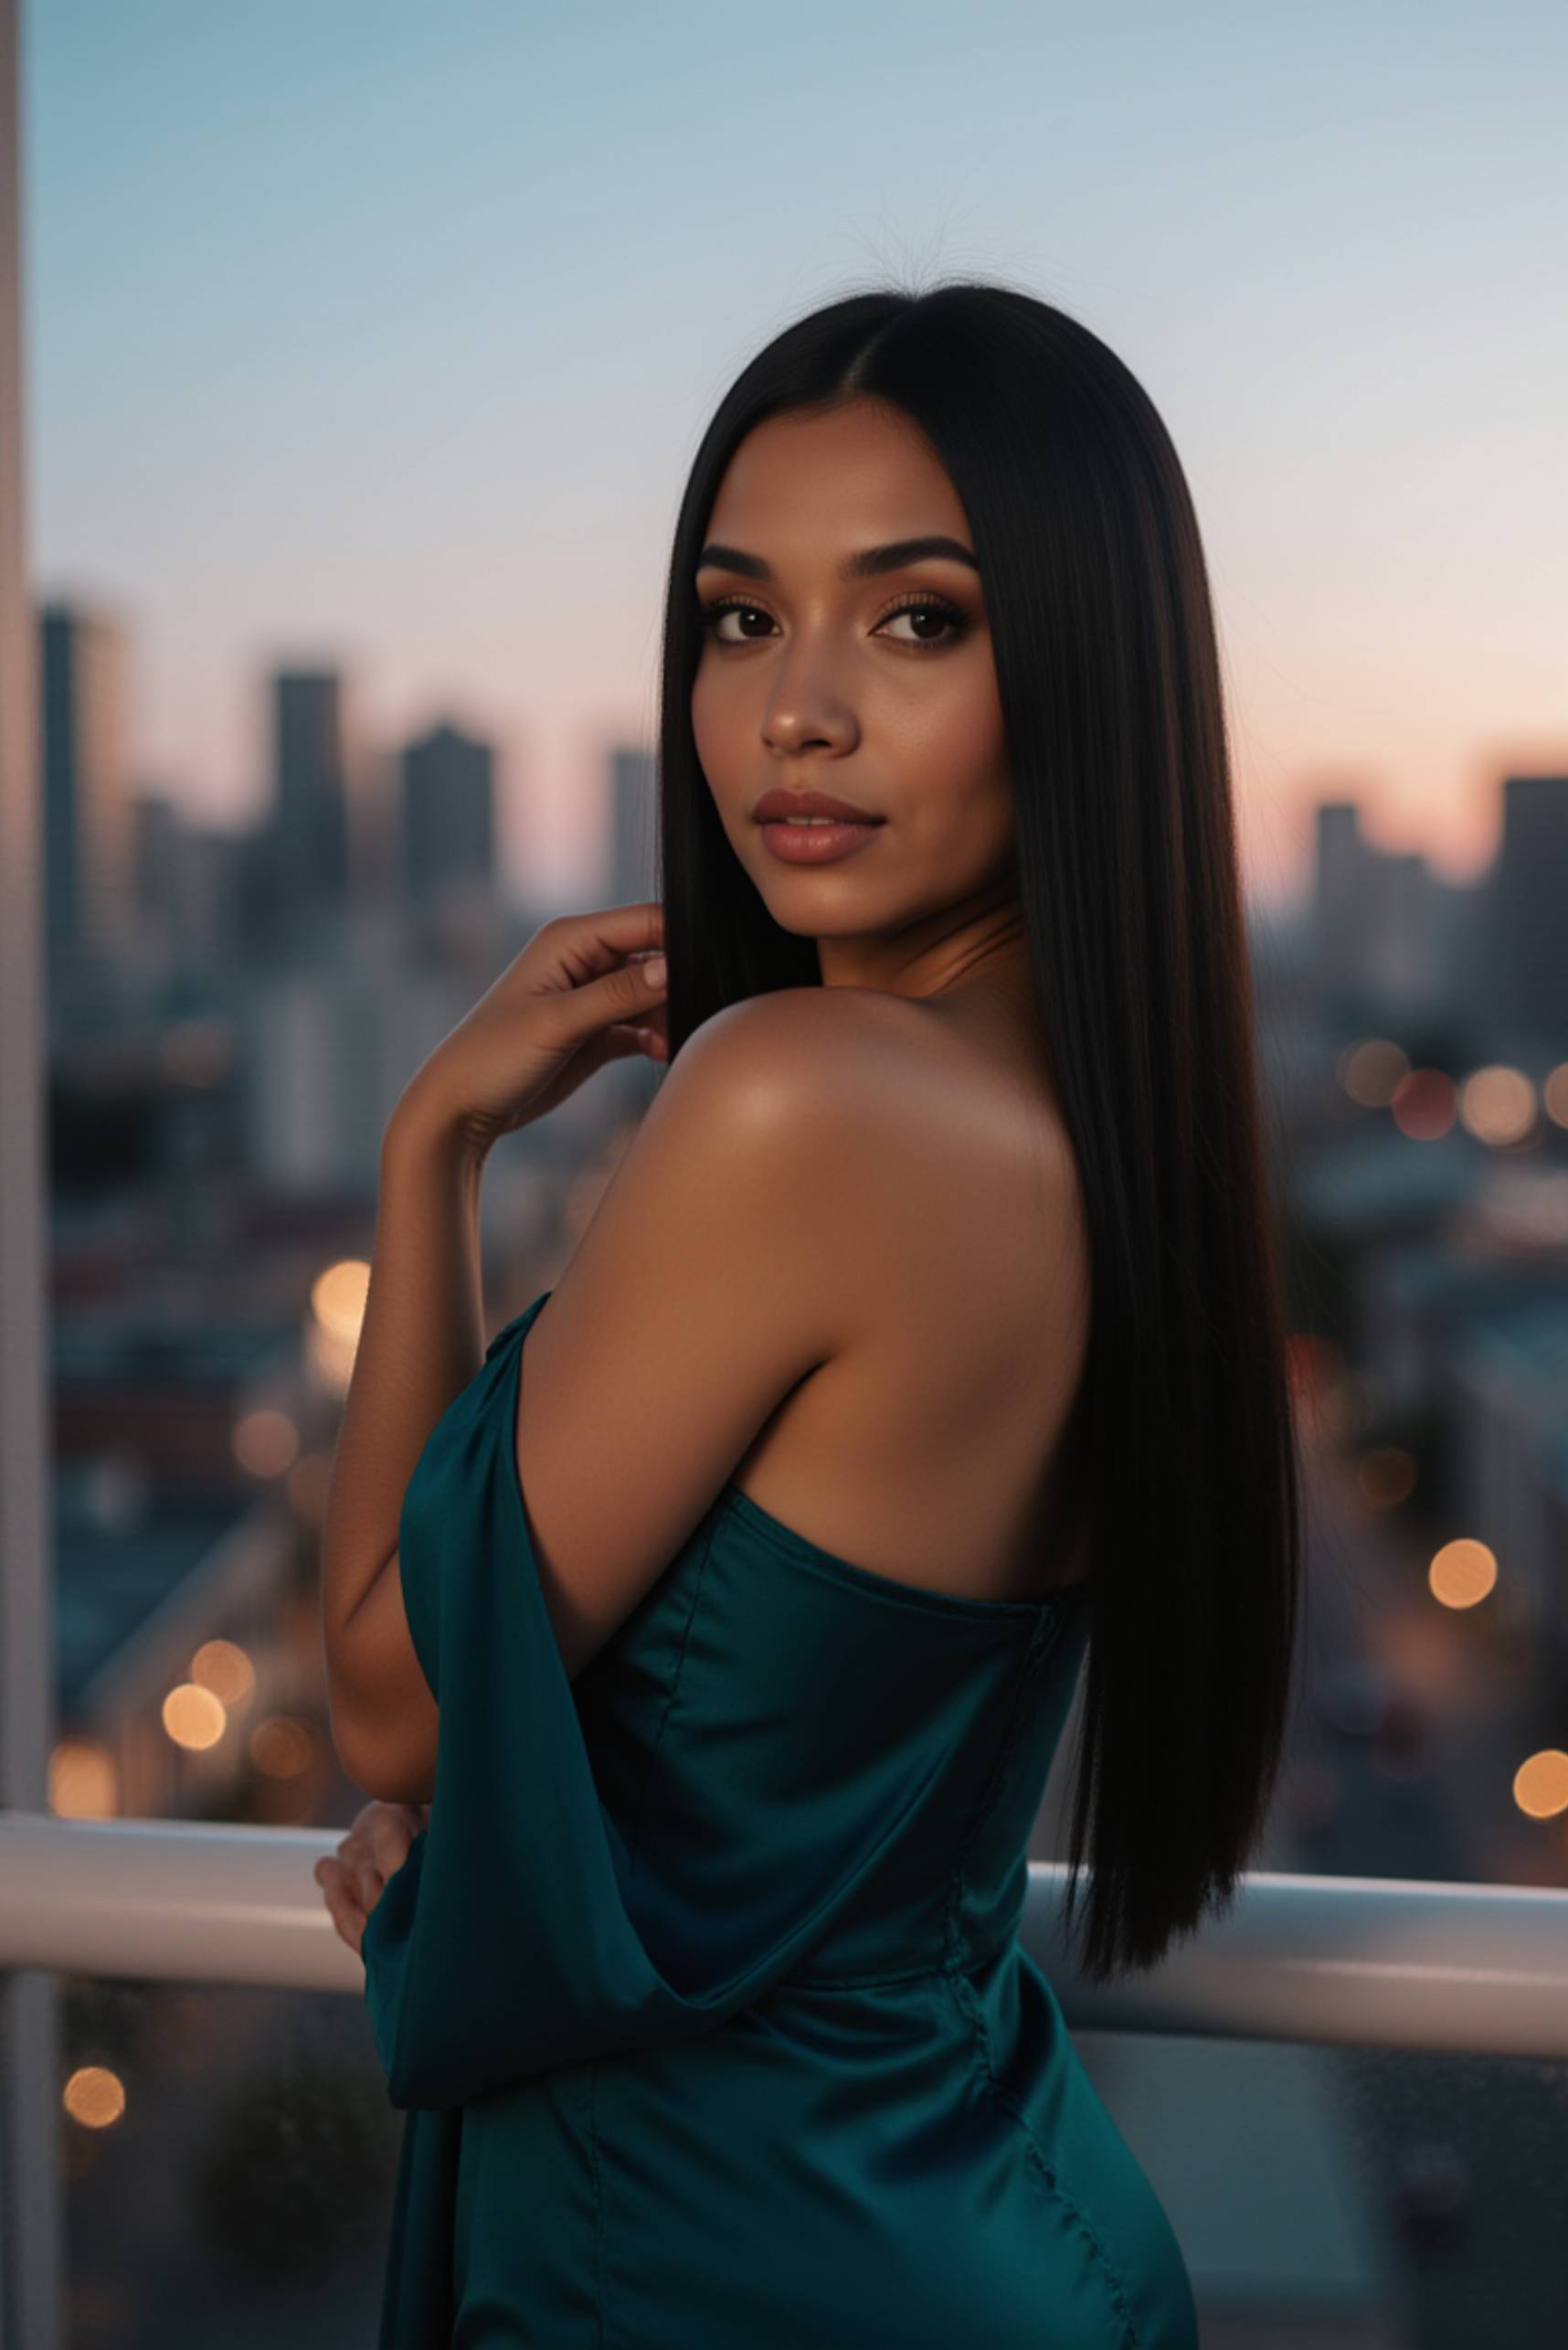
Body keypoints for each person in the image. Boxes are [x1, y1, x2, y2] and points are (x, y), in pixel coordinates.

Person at [315, 276, 1303, 2348]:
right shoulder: (1106, 1130)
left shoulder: (803, 1102)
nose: (796, 711)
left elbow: (395, 1707)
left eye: (919, 619)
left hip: (731, 2250)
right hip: (980, 2206)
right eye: (741, 617)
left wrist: (432, 1148)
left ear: (1084, 665)